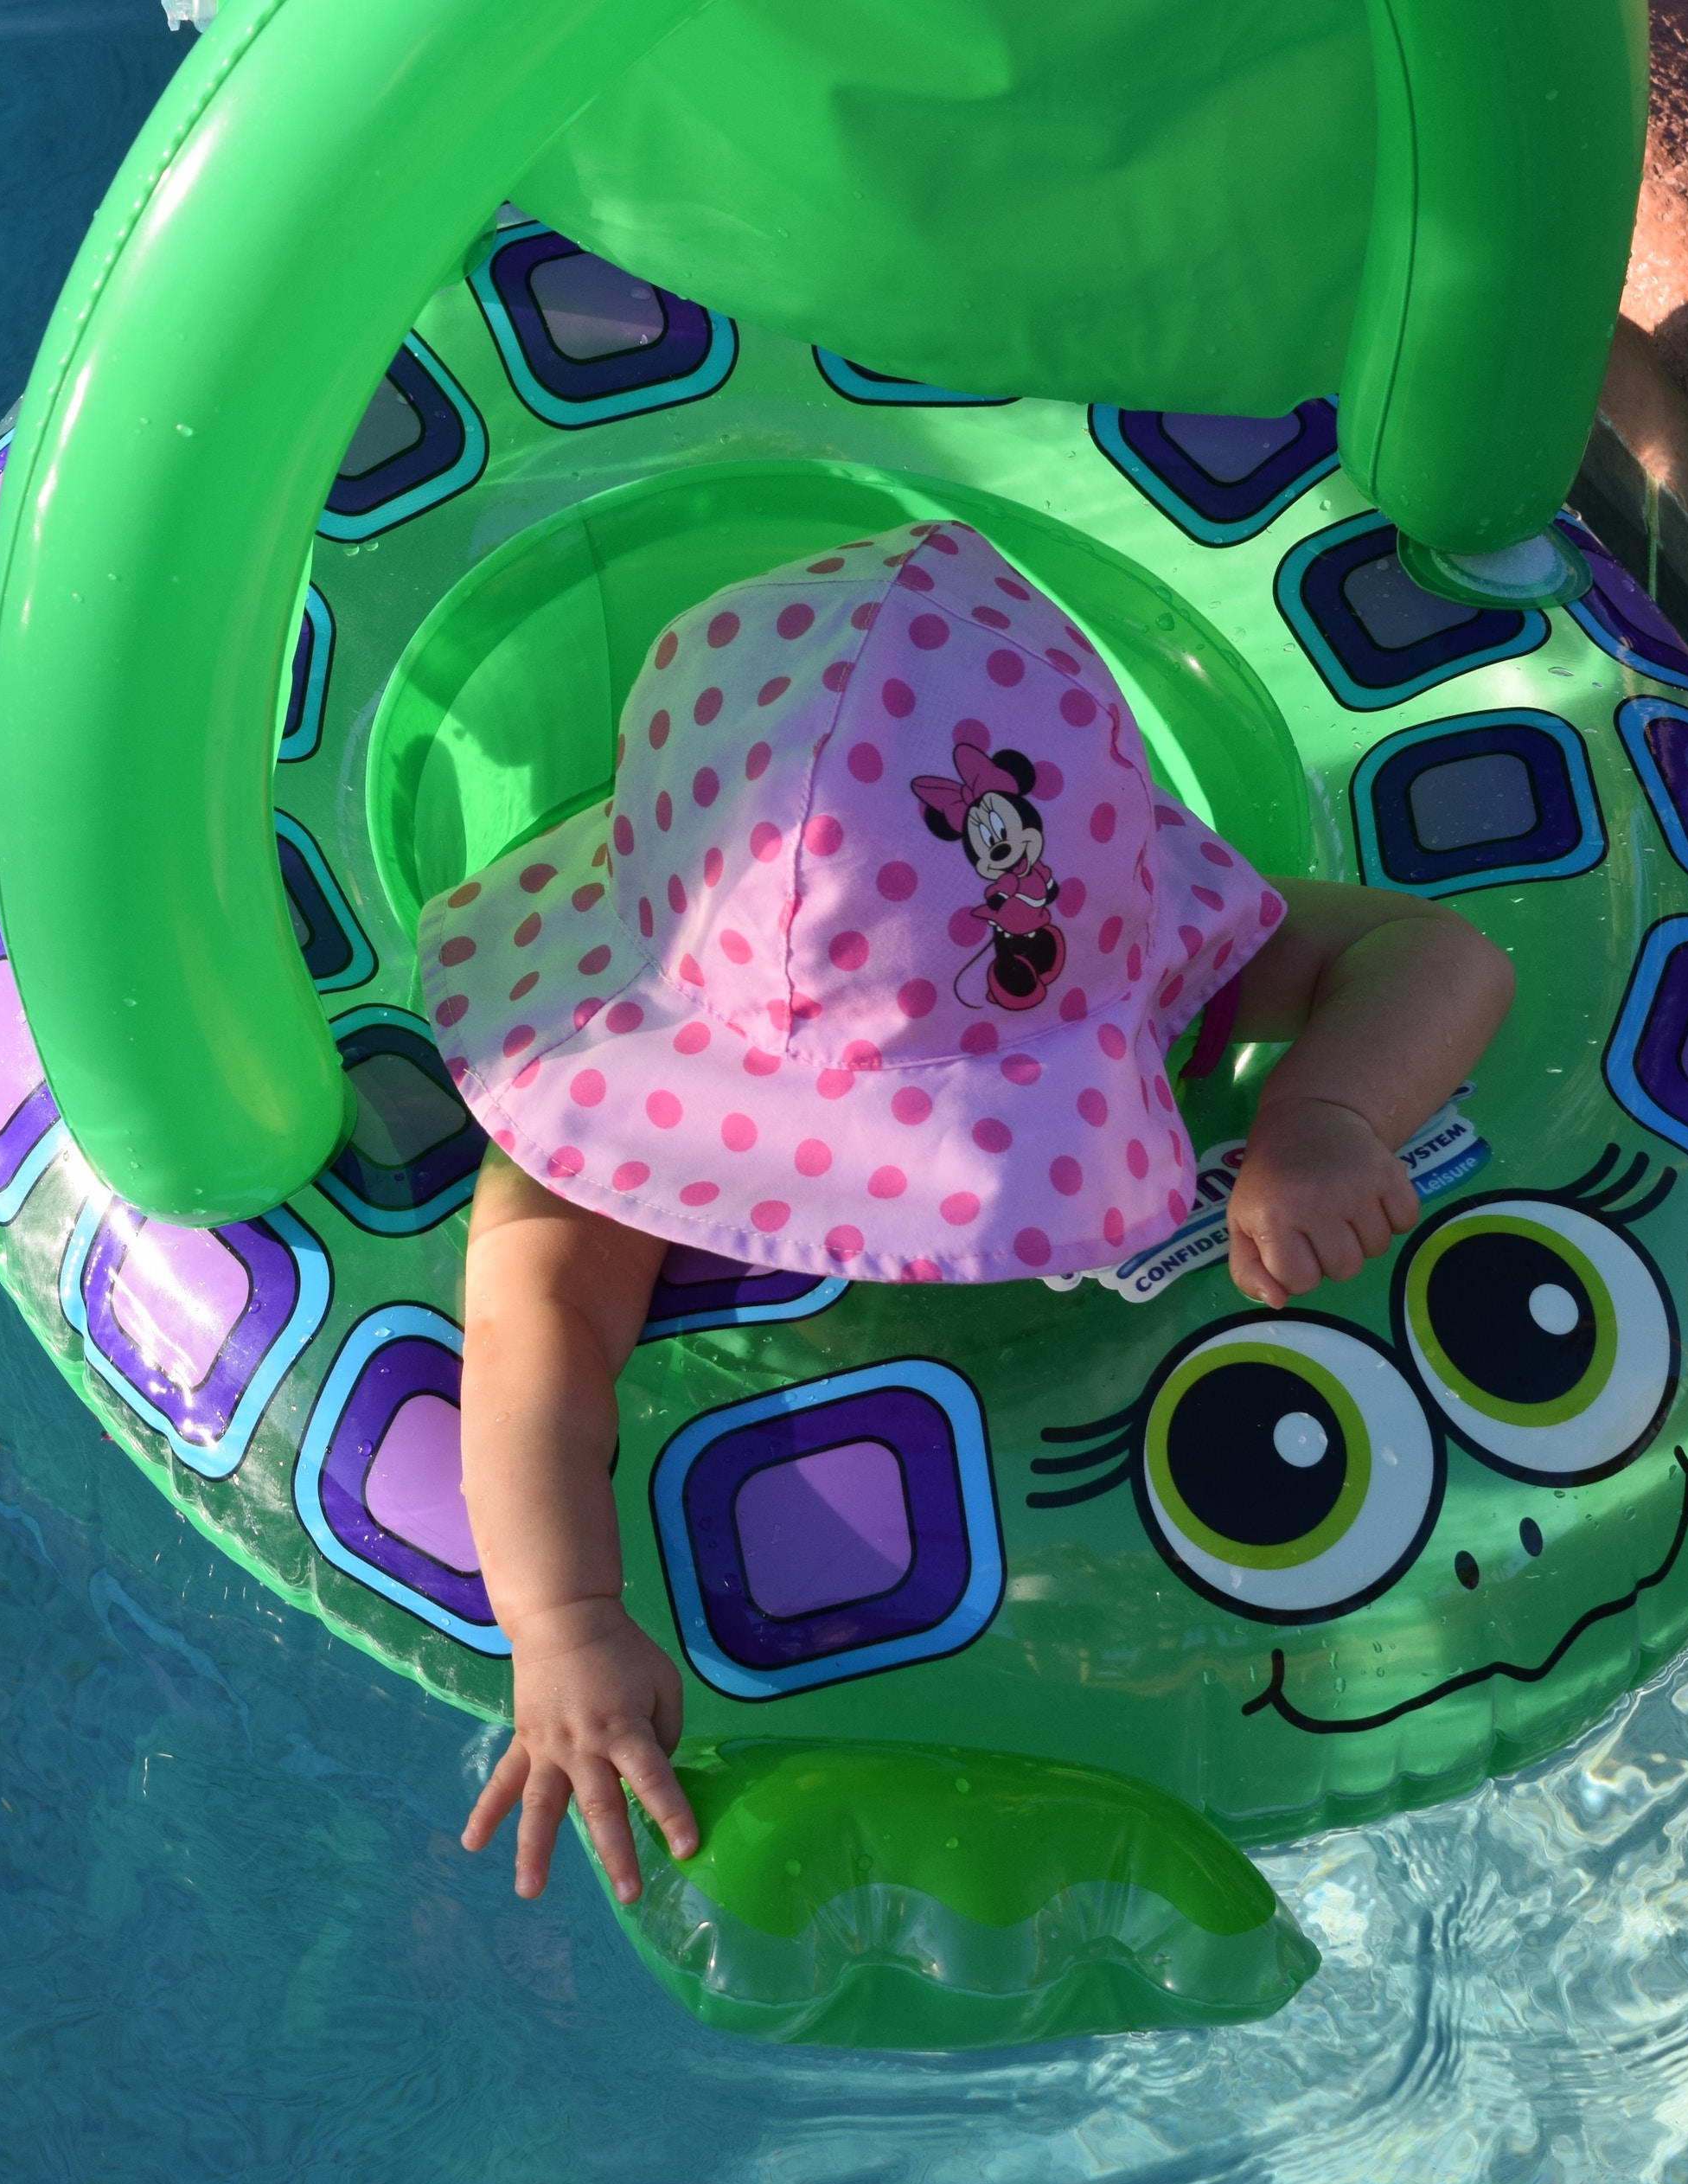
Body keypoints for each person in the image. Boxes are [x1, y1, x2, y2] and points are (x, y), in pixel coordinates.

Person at [415, 522, 1513, 1904]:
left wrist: (1326, 1119)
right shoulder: (605, 1093)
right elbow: (531, 1337)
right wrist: (564, 1622)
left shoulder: (1096, 950)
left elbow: (1437, 954)